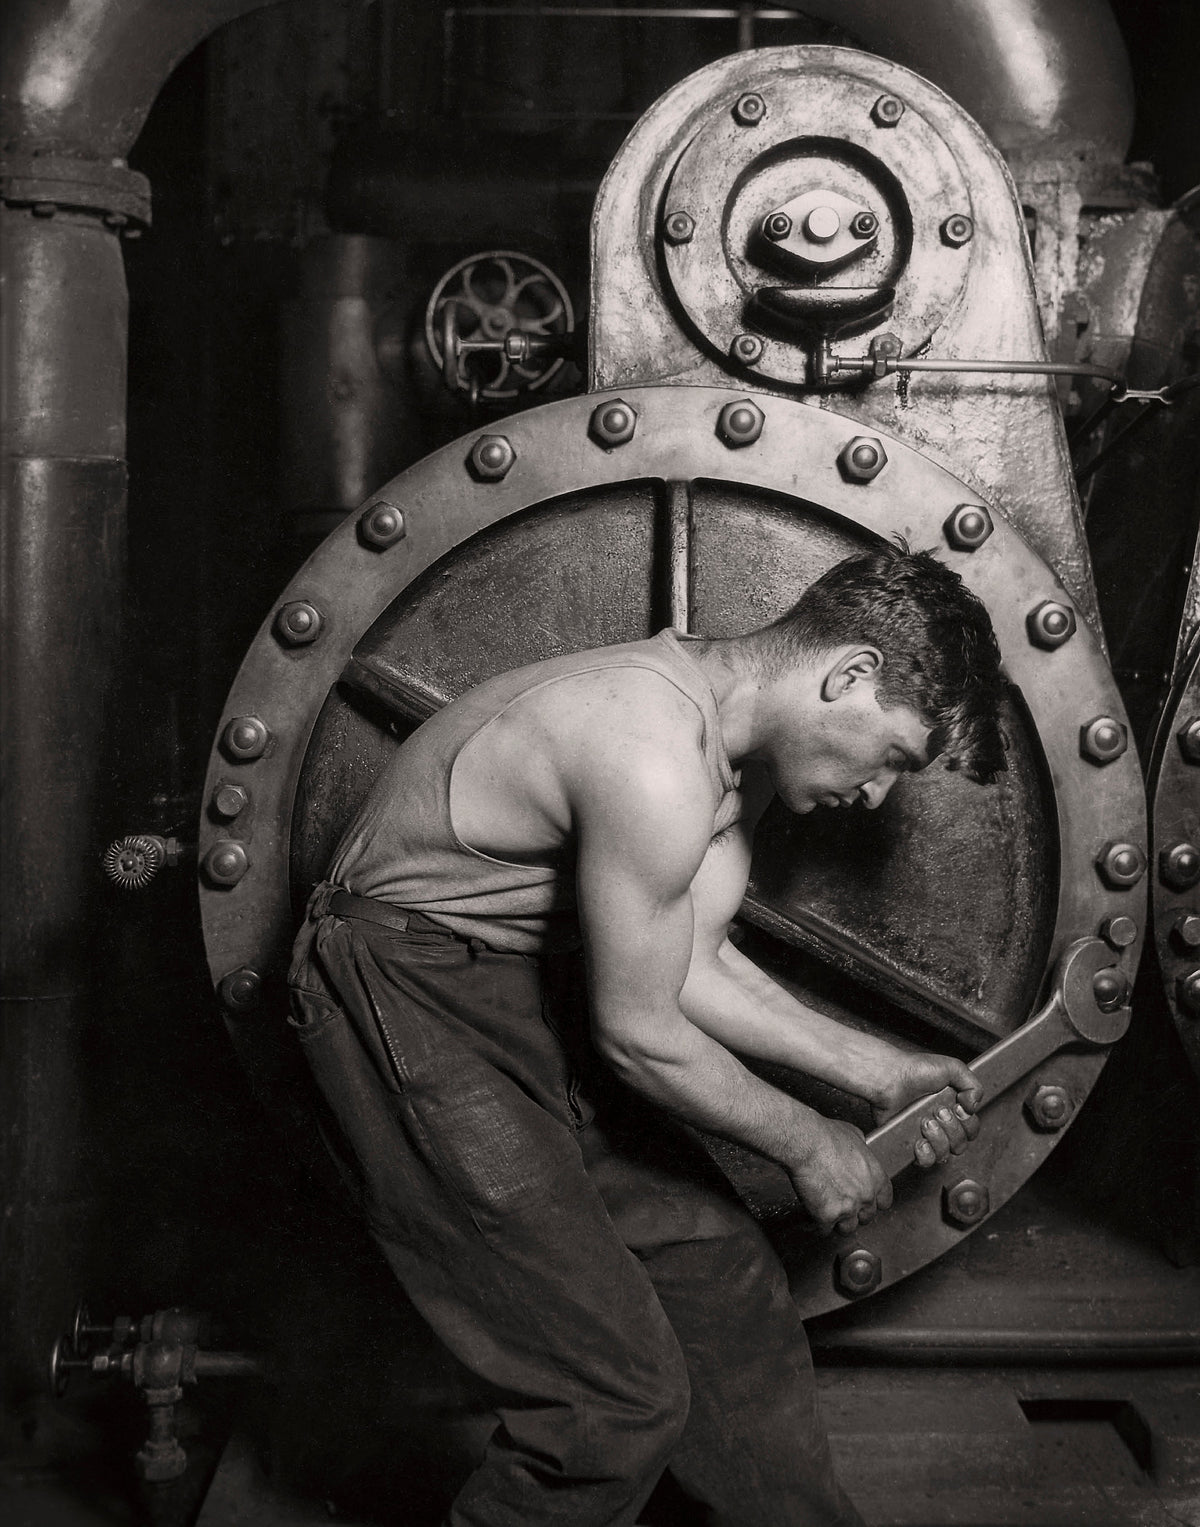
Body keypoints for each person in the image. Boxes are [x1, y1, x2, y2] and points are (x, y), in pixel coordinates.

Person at [288, 544, 1007, 1527]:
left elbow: (690, 963)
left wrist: (881, 1071)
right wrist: (810, 1143)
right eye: (892, 758)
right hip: (401, 992)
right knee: (613, 1398)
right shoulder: (651, 747)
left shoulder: (728, 757)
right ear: (850, 674)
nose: (879, 794)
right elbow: (636, 1031)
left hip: (513, 991)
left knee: (723, 1282)